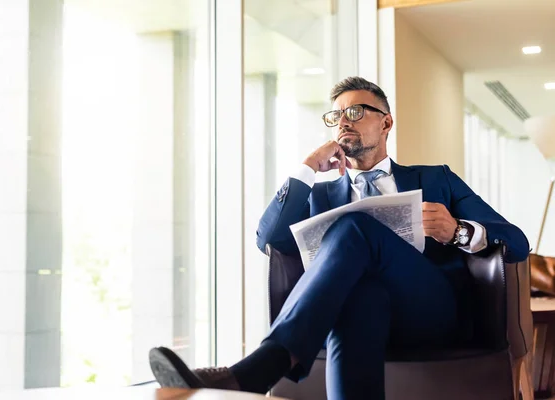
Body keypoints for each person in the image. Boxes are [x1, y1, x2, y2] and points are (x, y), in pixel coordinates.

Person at [149, 76, 530, 399]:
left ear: (386, 123)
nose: (343, 122)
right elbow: (268, 239)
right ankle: (256, 369)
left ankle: (261, 366)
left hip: (432, 311)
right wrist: (307, 169)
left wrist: (457, 229)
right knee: (360, 299)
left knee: (353, 226)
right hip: (359, 313)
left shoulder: (435, 179)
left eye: (356, 112)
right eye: (337, 116)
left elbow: (516, 240)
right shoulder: (318, 195)